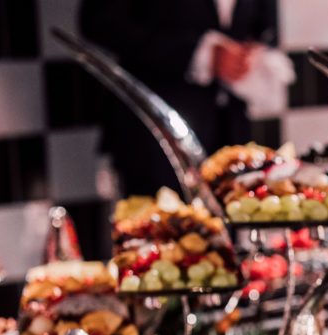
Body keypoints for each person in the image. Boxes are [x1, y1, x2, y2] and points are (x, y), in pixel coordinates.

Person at [79, 0, 280, 196]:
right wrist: (199, 53)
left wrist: (252, 51)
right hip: (156, 131)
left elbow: (264, 25)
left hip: (230, 125)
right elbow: (100, 22)